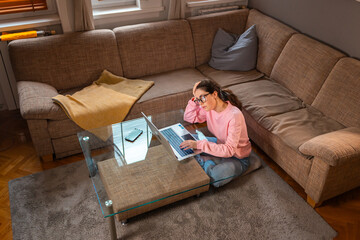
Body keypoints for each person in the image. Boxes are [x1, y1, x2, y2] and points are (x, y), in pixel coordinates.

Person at [179, 79, 252, 187]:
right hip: (219, 144)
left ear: (214, 94)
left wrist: (199, 145)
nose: (201, 103)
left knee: (216, 177)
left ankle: (205, 159)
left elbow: (229, 150)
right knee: (184, 139)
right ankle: (210, 160)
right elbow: (188, 117)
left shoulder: (234, 115)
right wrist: (193, 97)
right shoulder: (209, 108)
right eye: (198, 100)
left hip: (237, 156)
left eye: (202, 98)